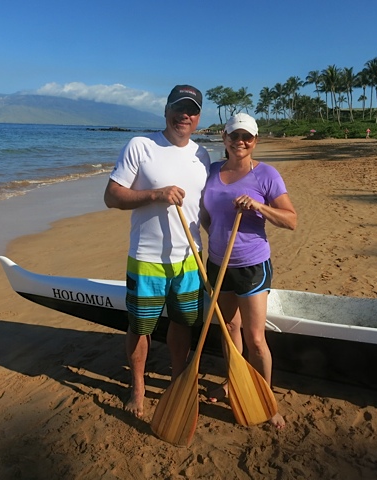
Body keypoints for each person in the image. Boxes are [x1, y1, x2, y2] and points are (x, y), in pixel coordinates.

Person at [103, 85, 211, 418]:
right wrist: (155, 195)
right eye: (179, 107)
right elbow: (112, 197)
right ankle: (138, 388)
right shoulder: (141, 146)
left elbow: (202, 209)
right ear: (166, 110)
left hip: (190, 260)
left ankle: (179, 379)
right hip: (147, 259)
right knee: (140, 326)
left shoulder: (202, 154)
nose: (185, 115)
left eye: (192, 110)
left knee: (182, 323)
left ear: (198, 118)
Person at [200, 113, 297, 429]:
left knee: (255, 339)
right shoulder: (213, 171)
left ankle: (268, 402)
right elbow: (205, 214)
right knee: (229, 329)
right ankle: (233, 383)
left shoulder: (266, 175)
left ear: (255, 141)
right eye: (234, 136)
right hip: (218, 263)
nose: (240, 142)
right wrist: (216, 235)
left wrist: (259, 207)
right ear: (224, 139)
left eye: (247, 137)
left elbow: (291, 220)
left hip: (252, 265)